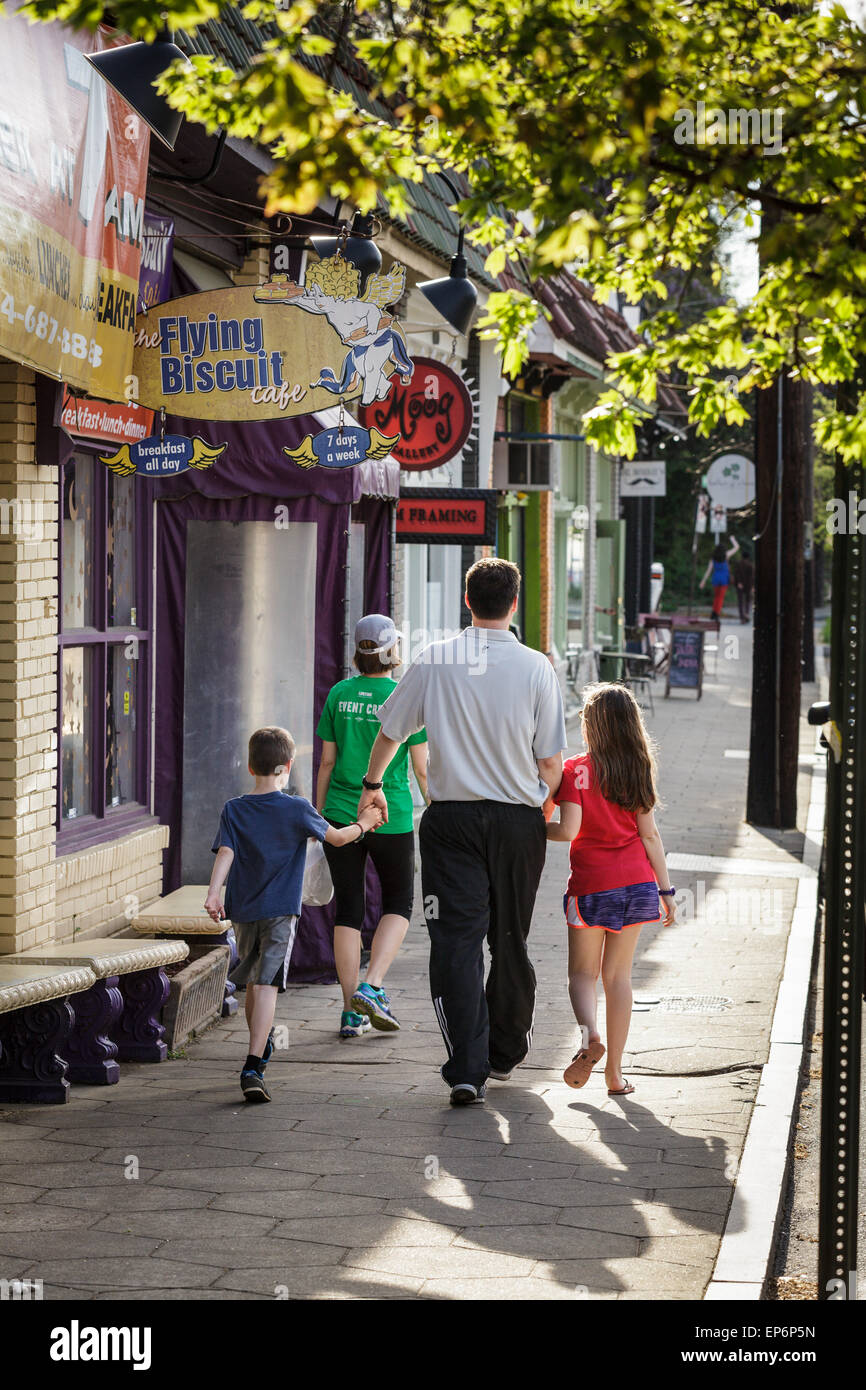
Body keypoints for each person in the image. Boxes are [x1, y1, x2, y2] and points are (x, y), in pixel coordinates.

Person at [358, 558, 567, 1107]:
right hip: (518, 820)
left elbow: (391, 730)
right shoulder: (537, 668)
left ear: (467, 602)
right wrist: (541, 804)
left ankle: (467, 1067)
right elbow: (551, 763)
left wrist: (372, 784)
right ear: (514, 604)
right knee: (510, 937)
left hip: (450, 821)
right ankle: (505, 1049)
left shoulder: (434, 660)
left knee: (455, 941)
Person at [205, 726, 383, 1103]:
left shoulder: (233, 809)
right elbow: (336, 838)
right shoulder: (297, 807)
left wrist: (212, 893)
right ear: (287, 766)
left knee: (256, 980)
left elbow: (225, 853)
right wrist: (365, 825)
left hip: (244, 908)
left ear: (251, 766)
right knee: (267, 982)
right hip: (281, 911)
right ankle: (254, 1064)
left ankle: (260, 1042)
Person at [546, 684, 676, 1096]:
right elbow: (651, 835)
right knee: (619, 977)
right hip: (638, 883)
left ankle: (589, 1037)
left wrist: (533, 829)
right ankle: (615, 1075)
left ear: (590, 725)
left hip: (591, 886)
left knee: (581, 975)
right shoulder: (639, 768)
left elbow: (568, 830)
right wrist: (666, 891)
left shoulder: (576, 770)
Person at [316, 615, 428, 1039]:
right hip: (391, 814)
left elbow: (326, 761)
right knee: (398, 901)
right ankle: (372, 985)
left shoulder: (339, 694)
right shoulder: (403, 696)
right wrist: (438, 807)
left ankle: (349, 1012)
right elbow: (421, 769)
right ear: (391, 650)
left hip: (342, 813)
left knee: (348, 909)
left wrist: (320, 811)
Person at [699, 534, 740, 618]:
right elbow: (737, 547)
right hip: (724, 579)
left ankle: (714, 612)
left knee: (716, 596)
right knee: (721, 597)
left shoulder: (713, 559)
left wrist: (703, 581)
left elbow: (708, 571)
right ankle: (716, 613)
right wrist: (732, 539)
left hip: (716, 578)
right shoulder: (726, 555)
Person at [732, 545, 754, 623]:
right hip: (748, 585)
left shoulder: (738, 564)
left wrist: (738, 583)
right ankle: (746, 614)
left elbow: (736, 574)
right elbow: (752, 576)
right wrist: (752, 586)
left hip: (740, 585)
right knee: (748, 601)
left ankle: (742, 617)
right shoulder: (750, 565)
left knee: (740, 602)